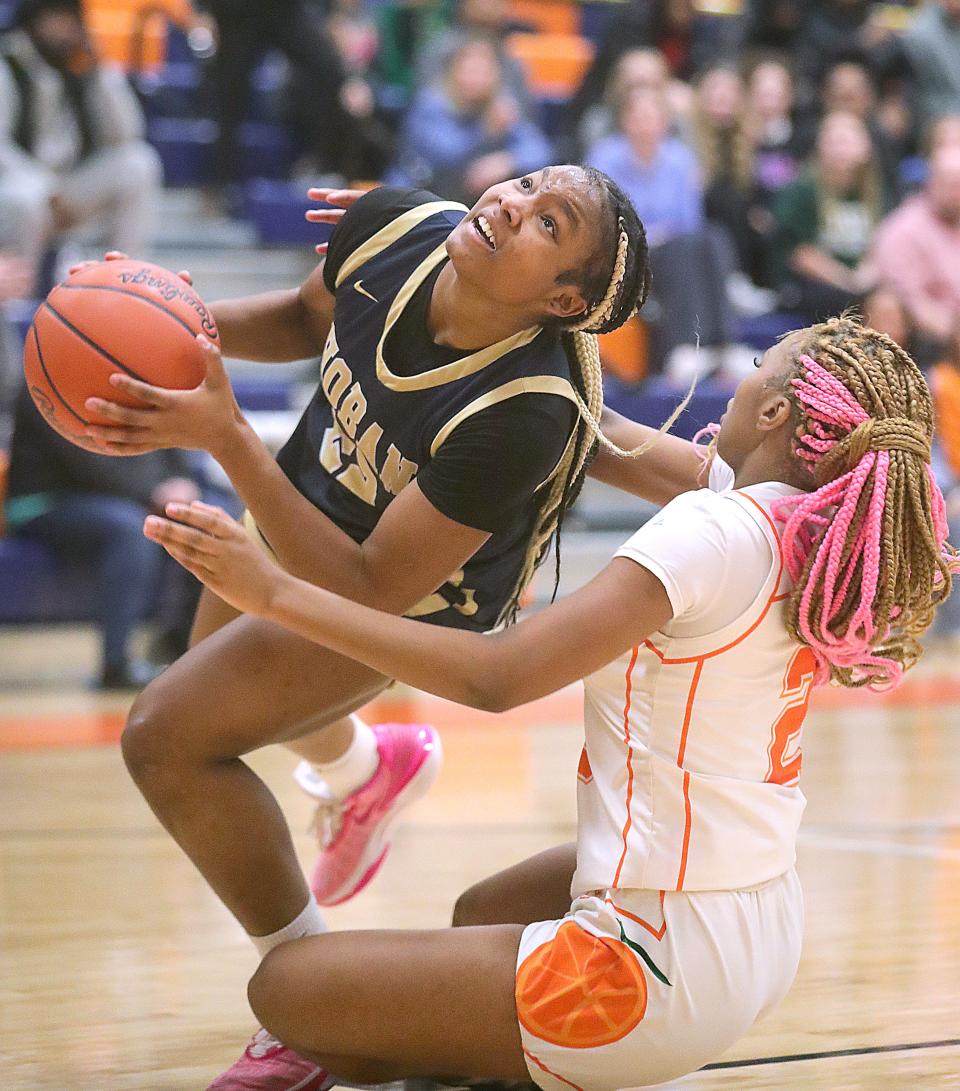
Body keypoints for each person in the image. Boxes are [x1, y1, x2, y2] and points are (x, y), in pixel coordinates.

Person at [143, 314, 957, 1089]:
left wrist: (274, 591)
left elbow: (498, 678)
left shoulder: (713, 530)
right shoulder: (813, 525)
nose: (737, 388)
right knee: (484, 911)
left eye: (753, 375)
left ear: (775, 410)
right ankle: (500, 1053)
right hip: (761, 922)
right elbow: (596, 436)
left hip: (648, 972)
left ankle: (538, 1048)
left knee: (289, 990)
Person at [82, 166, 656, 1087]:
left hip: (407, 601)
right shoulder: (397, 227)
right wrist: (162, 319)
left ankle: (309, 1009)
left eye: (548, 221)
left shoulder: (527, 411)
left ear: (562, 300)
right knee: (209, 681)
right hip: (305, 498)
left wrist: (228, 436)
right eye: (526, 182)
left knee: (168, 736)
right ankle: (366, 768)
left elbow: (367, 585)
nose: (511, 201)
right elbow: (310, 320)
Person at [4, 382, 202, 688]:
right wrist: (154, 492)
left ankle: (181, 649)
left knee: (206, 519)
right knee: (130, 528)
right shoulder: (46, 379)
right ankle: (116, 664)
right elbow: (85, 460)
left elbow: (168, 438)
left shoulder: (140, 376)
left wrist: (180, 482)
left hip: (124, 498)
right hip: (44, 500)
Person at [0, 0, 162, 292]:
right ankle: (18, 303)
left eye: (71, 19)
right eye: (56, 17)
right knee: (26, 198)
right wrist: (47, 190)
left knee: (139, 163)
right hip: (17, 188)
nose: (65, 29)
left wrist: (101, 69)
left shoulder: (83, 65)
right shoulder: (8, 61)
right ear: (34, 19)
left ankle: (123, 285)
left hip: (72, 187)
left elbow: (128, 133)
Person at [385, 36, 553, 205]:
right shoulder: (431, 104)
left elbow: (540, 150)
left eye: (484, 71)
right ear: (453, 71)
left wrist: (507, 161)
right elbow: (443, 157)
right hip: (416, 195)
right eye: (470, 70)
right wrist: (485, 131)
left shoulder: (499, 107)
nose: (476, 79)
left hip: (467, 200)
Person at [771, 110, 887, 322]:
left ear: (866, 147)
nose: (840, 149)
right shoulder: (802, 190)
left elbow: (882, 245)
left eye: (846, 141)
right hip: (810, 287)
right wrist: (849, 280)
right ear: (820, 146)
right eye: (833, 141)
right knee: (841, 302)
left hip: (858, 286)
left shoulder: (874, 193)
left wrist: (868, 273)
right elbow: (800, 255)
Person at [868, 145, 960, 363]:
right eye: (951, 184)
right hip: (930, 347)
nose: (957, 192)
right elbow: (908, 306)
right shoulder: (901, 231)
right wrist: (954, 333)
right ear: (930, 182)